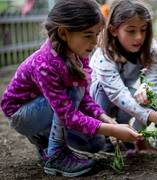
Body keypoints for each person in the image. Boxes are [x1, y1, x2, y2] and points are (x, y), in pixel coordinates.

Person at [0, 0, 142, 177]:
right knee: (71, 91)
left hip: (45, 110)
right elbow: (67, 114)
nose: (95, 42)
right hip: (21, 115)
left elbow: (85, 98)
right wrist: (113, 130)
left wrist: (107, 121)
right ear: (64, 33)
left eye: (97, 34)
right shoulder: (45, 65)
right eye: (88, 35)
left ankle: (44, 142)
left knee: (95, 144)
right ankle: (56, 156)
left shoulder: (76, 54)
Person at [89, 0, 157, 134]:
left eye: (143, 30)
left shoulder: (150, 49)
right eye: (131, 31)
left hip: (124, 97)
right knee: (105, 90)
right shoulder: (104, 56)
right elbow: (117, 94)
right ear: (114, 30)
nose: (139, 37)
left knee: (145, 95)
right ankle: (104, 133)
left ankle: (135, 137)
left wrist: (146, 86)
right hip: (97, 103)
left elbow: (154, 77)